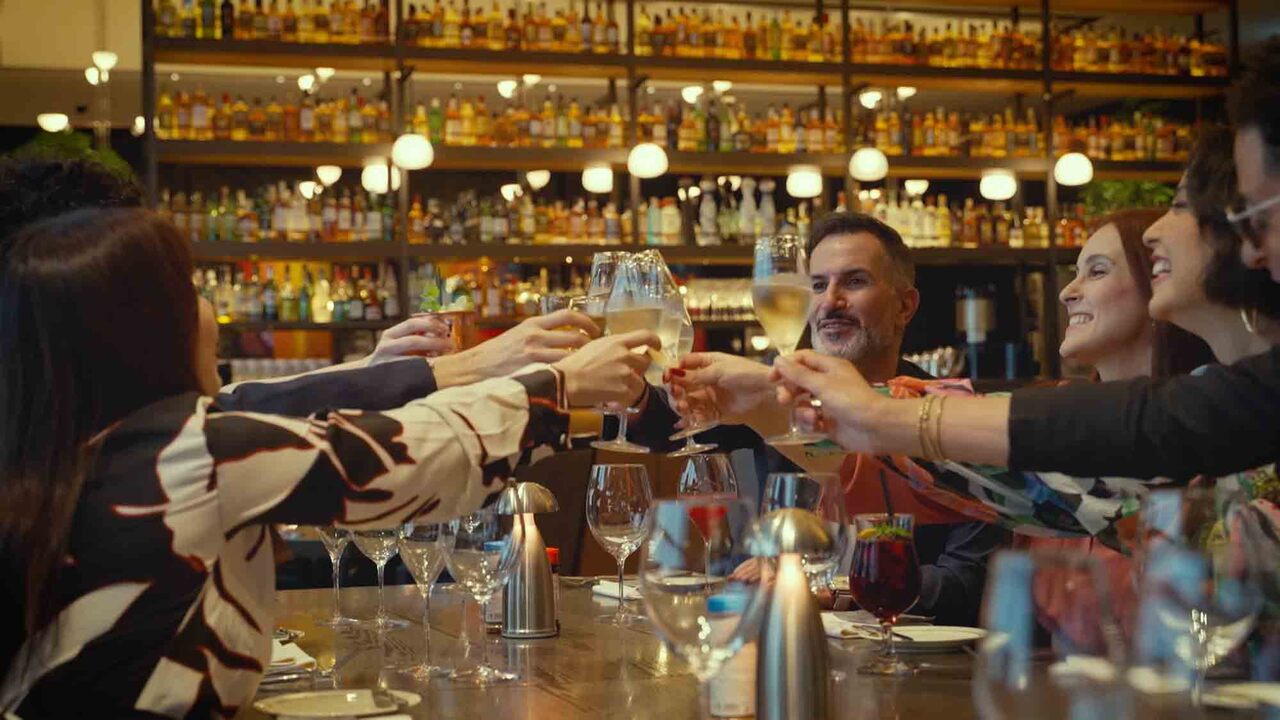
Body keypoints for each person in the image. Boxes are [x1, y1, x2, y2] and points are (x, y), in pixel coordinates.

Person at [0, 207, 659, 717]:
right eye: (188, 287)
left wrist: (406, 372)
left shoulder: (68, 449)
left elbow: (269, 405)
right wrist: (559, 386)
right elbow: (408, 456)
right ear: (140, 329)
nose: (207, 307)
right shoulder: (187, 453)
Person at [762, 37, 1280, 481]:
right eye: (818, 284)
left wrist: (870, 417)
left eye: (1182, 206)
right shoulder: (1217, 404)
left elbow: (1113, 440)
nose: (1066, 292)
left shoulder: (1208, 412)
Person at [0, 155, 600, 417]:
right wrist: (517, 375)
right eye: (175, 286)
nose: (197, 306)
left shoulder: (52, 431)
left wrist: (372, 370)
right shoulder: (158, 455)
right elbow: (240, 418)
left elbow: (243, 401)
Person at [629, 212, 1006, 626]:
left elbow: (966, 582)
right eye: (817, 285)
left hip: (908, 649)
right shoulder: (775, 399)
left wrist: (830, 586)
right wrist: (629, 390)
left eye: (855, 282)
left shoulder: (944, 417)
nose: (830, 302)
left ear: (905, 306)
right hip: (779, 635)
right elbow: (661, 427)